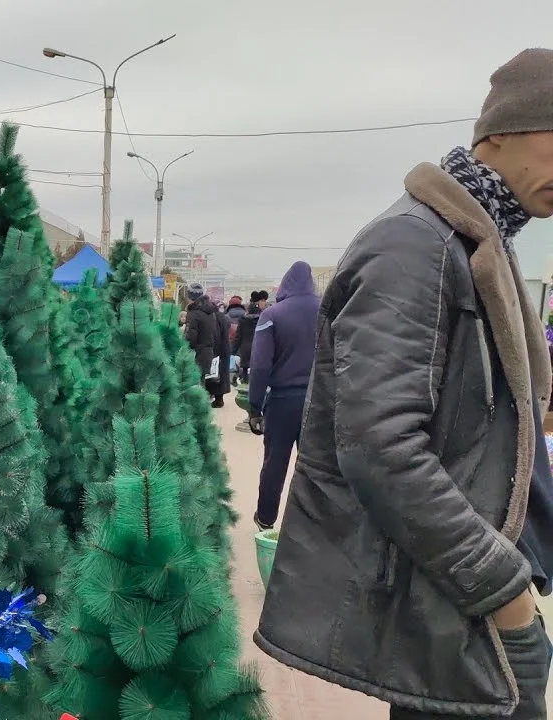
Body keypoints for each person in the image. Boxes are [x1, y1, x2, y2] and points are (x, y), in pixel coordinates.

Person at [256, 49, 553, 720]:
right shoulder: (415, 245)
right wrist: (500, 587)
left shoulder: (480, 240)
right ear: (499, 133)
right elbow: (381, 449)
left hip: (468, 599)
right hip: (467, 600)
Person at [246, 262, 319, 530]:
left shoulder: (273, 315)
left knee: (275, 463)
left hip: (282, 402)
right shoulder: (328, 312)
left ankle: (266, 519)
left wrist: (255, 407)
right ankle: (310, 525)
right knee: (314, 466)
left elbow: (261, 365)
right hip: (317, 402)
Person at [183, 282, 230, 407]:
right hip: (209, 350)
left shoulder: (194, 313)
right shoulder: (210, 312)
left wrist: (184, 345)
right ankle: (202, 406)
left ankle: (198, 407)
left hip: (197, 351)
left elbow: (190, 336)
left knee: (196, 379)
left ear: (190, 296)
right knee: (203, 378)